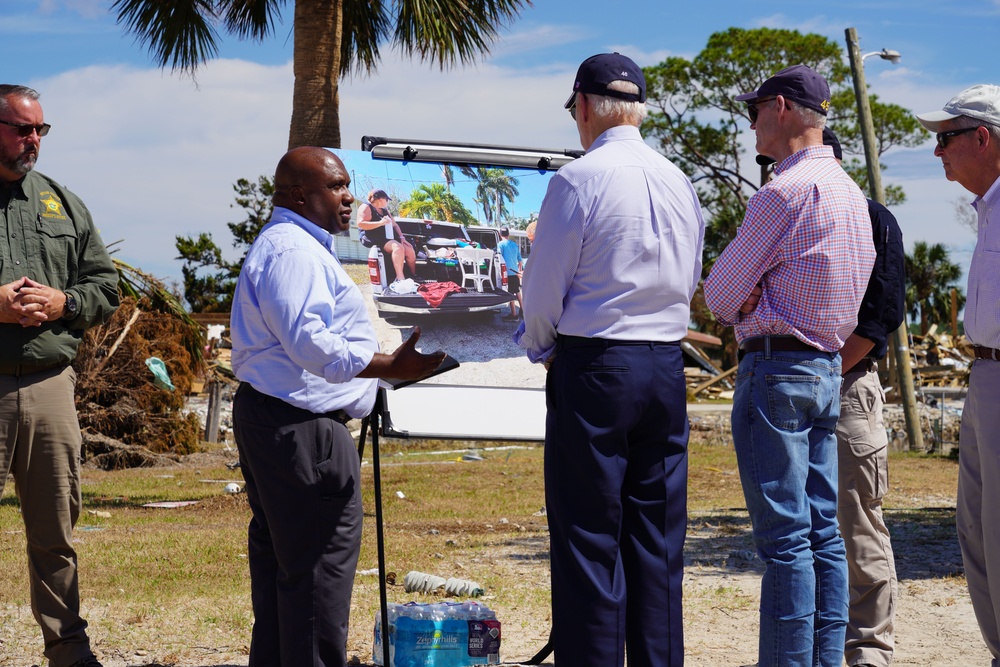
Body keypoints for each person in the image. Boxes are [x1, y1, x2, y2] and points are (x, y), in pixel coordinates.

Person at [517, 53, 705, 667]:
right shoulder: (679, 180)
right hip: (663, 364)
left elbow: (544, 291)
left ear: (586, 107)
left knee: (589, 538)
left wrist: (542, 348)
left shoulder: (577, 179)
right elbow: (691, 275)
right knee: (657, 541)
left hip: (597, 364)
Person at [230, 147, 446, 667]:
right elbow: (312, 344)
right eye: (337, 186)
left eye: (347, 185)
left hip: (281, 422)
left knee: (289, 570)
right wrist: (388, 366)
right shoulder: (295, 252)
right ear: (300, 193)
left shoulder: (293, 245)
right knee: (319, 572)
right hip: (302, 431)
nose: (349, 197)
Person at [703, 64, 875, 667]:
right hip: (828, 369)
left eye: (755, 111)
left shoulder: (783, 192)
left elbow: (720, 297)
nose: (751, 123)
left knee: (785, 543)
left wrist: (753, 294)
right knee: (824, 535)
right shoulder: (853, 194)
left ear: (780, 108)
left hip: (776, 369)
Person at [0, 84, 120, 667]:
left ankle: (69, 652)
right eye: (22, 128)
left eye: (40, 130)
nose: (33, 141)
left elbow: (105, 287)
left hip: (50, 385)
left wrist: (63, 303)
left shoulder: (63, 203)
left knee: (55, 529)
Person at [915, 83, 1000, 665]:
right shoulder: (987, 208)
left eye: (945, 139)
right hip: (985, 375)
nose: (937, 153)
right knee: (975, 528)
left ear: (983, 137)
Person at [826, 128, 905, 667]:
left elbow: (882, 316)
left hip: (849, 386)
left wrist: (827, 369)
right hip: (793, 386)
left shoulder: (873, 217)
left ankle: (870, 648)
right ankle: (819, 643)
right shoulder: (781, 213)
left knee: (857, 521)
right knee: (801, 527)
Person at [357, 188, 416, 285]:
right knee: (398, 247)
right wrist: (380, 223)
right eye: (386, 199)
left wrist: (402, 238)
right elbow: (361, 224)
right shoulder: (366, 207)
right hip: (372, 237)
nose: (387, 202)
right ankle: (400, 278)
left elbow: (395, 225)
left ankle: (413, 275)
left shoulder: (384, 210)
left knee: (409, 250)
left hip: (386, 237)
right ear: (380, 199)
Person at [496, 226, 523, 320]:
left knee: (511, 294)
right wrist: (519, 271)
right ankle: (522, 310)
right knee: (517, 291)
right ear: (508, 234)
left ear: (500, 234)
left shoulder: (500, 244)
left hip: (507, 273)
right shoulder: (515, 245)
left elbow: (500, 258)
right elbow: (520, 260)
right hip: (515, 272)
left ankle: (514, 315)